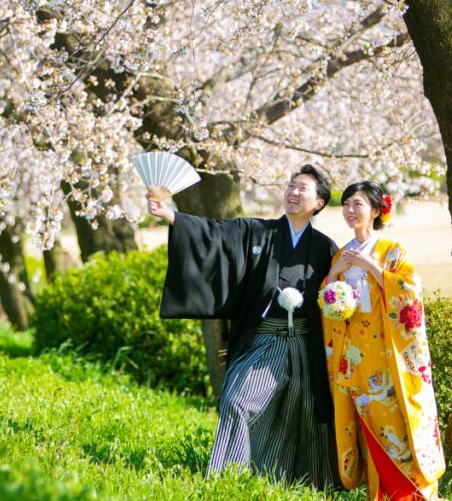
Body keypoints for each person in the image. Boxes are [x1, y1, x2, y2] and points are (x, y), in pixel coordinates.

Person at [146, 164, 341, 490]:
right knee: (237, 401)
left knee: (304, 412)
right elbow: (216, 234)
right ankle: (229, 480)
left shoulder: (324, 247)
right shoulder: (257, 231)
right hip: (263, 340)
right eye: (290, 185)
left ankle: (302, 483)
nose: (293, 192)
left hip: (304, 345)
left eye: (302, 188)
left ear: (319, 203)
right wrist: (170, 215)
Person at [321, 180, 445, 500]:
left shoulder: (392, 251)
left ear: (376, 211)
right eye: (346, 204)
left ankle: (413, 495)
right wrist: (334, 274)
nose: (350, 210)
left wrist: (371, 267)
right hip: (355, 356)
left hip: (388, 356)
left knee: (396, 424)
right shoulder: (341, 254)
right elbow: (327, 303)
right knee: (368, 425)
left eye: (358, 204)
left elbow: (409, 292)